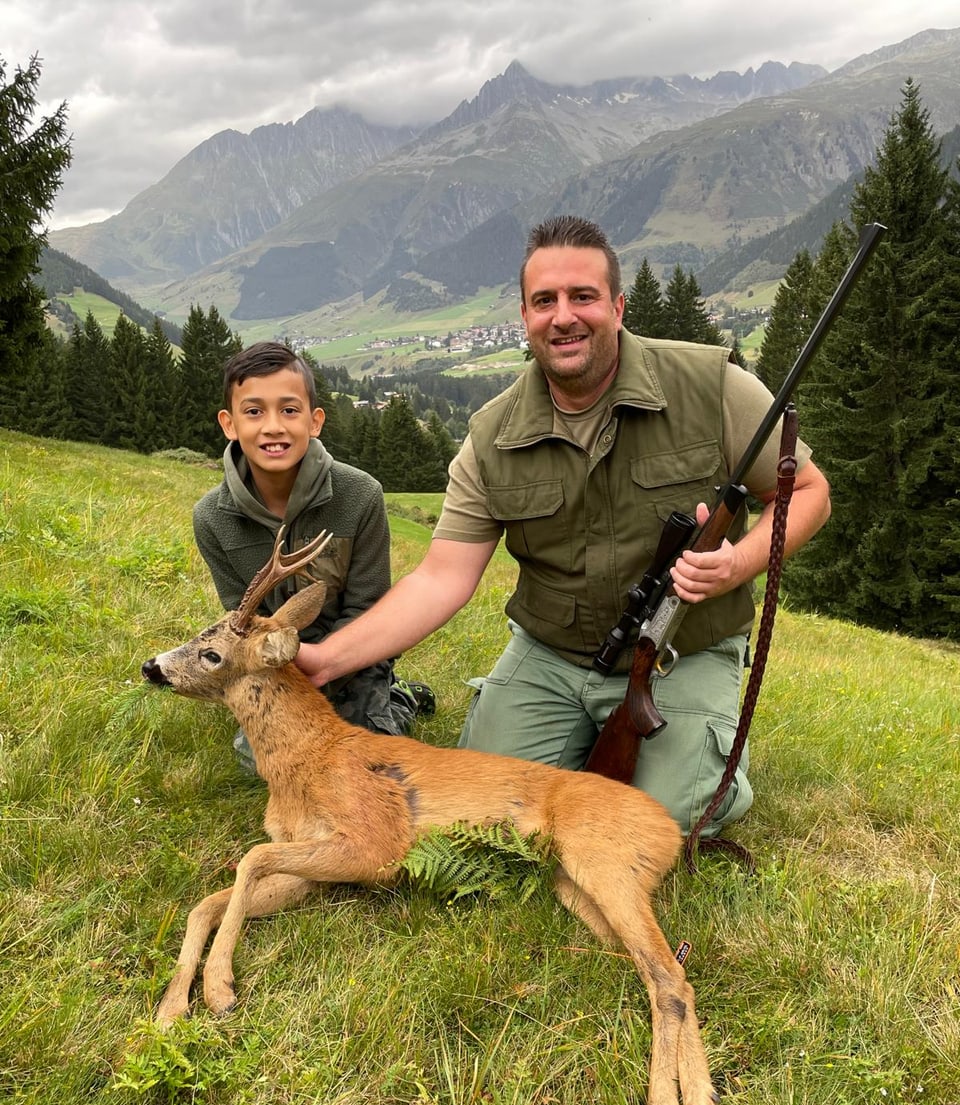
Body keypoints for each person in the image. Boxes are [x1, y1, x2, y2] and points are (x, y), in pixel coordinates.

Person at [294, 217, 831, 835]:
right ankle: (559, 728)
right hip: (553, 652)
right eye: (544, 301)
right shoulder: (492, 434)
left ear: (618, 305)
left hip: (682, 647)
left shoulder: (711, 387)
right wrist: (327, 659)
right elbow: (442, 576)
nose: (564, 316)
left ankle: (710, 768)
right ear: (524, 316)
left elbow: (808, 492)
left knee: (662, 821)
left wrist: (738, 563)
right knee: (478, 817)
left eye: (583, 296)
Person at [193, 340, 434, 773]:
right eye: (253, 411)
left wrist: (332, 663)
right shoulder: (212, 517)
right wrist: (284, 664)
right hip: (278, 665)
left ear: (314, 420)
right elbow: (239, 620)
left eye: (289, 410)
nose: (273, 427)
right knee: (260, 763)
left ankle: (397, 699)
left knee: (368, 763)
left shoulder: (360, 496)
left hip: (356, 654)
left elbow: (369, 608)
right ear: (228, 424)